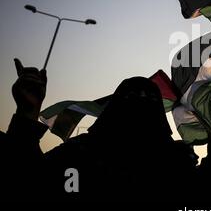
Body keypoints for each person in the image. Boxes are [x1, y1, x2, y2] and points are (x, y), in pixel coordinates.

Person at [3, 59, 198, 201]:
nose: (138, 107)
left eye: (148, 100)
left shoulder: (175, 162)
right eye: (131, 98)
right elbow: (28, 181)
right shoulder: (79, 154)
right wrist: (26, 112)